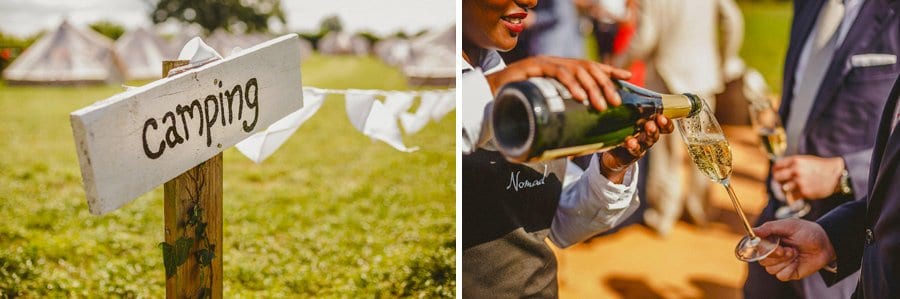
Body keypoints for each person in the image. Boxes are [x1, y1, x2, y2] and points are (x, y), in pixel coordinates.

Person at [461, 0, 675, 296]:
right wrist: (499, 85)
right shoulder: (428, 98)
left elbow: (559, 222)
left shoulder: (533, 96)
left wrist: (610, 168)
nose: (531, 1)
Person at [743, 0, 900, 297]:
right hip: (784, 227)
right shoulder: (807, 4)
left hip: (848, 261)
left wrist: (844, 173)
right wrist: (830, 237)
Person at [613, 0, 744, 236]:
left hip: (665, 78)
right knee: (705, 147)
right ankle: (700, 210)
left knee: (665, 153)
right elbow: (733, 21)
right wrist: (724, 61)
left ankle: (663, 214)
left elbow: (645, 38)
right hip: (703, 74)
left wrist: (617, 64)